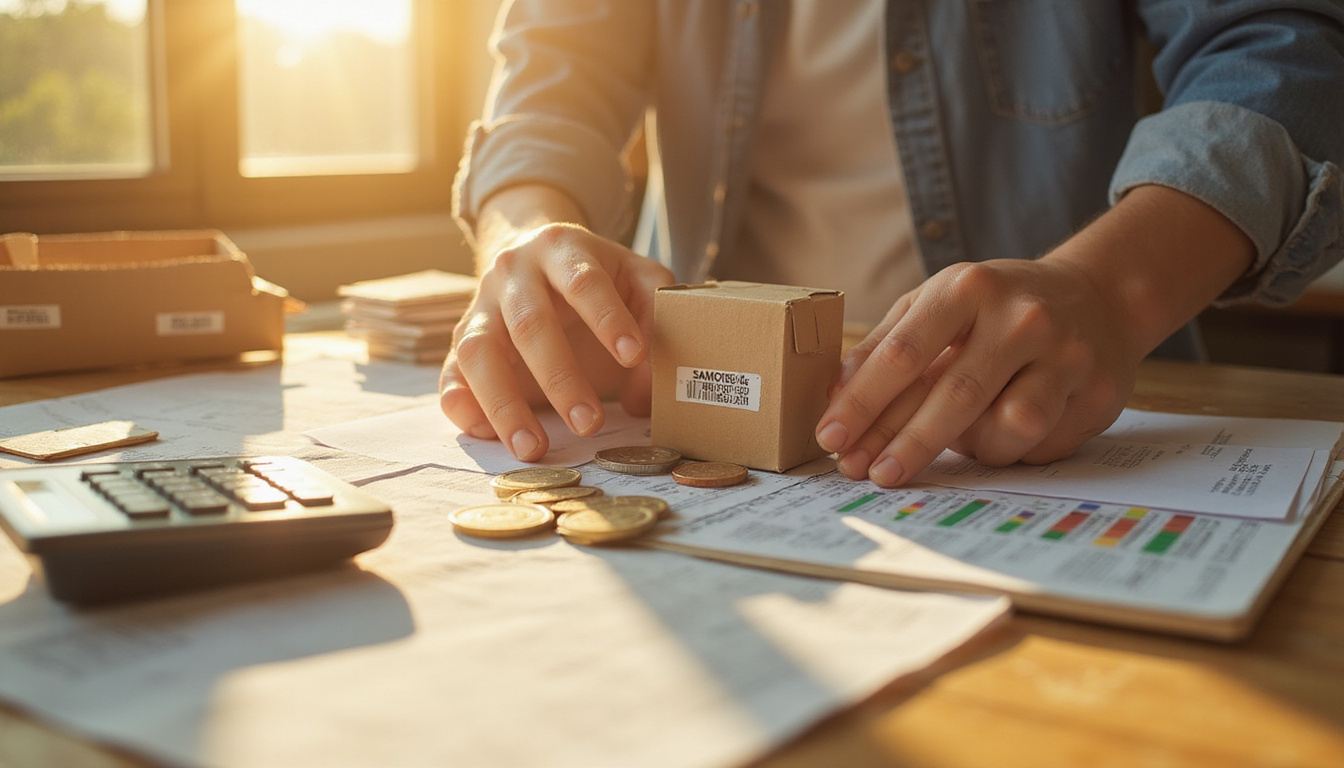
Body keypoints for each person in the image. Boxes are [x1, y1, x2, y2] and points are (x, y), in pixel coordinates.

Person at [439, 0, 1344, 487]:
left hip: (1043, 425)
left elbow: (1283, 46)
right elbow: (551, 83)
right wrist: (525, 232)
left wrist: (1106, 293)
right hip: (689, 423)